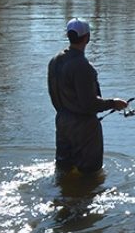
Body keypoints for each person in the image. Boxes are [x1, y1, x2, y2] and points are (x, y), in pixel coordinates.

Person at [48, 18, 128, 174]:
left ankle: (63, 197)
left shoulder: (54, 61)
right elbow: (89, 104)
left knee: (64, 170)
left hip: (62, 121)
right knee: (90, 174)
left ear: (68, 35)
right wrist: (114, 103)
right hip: (84, 128)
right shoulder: (83, 66)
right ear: (87, 38)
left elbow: (53, 94)